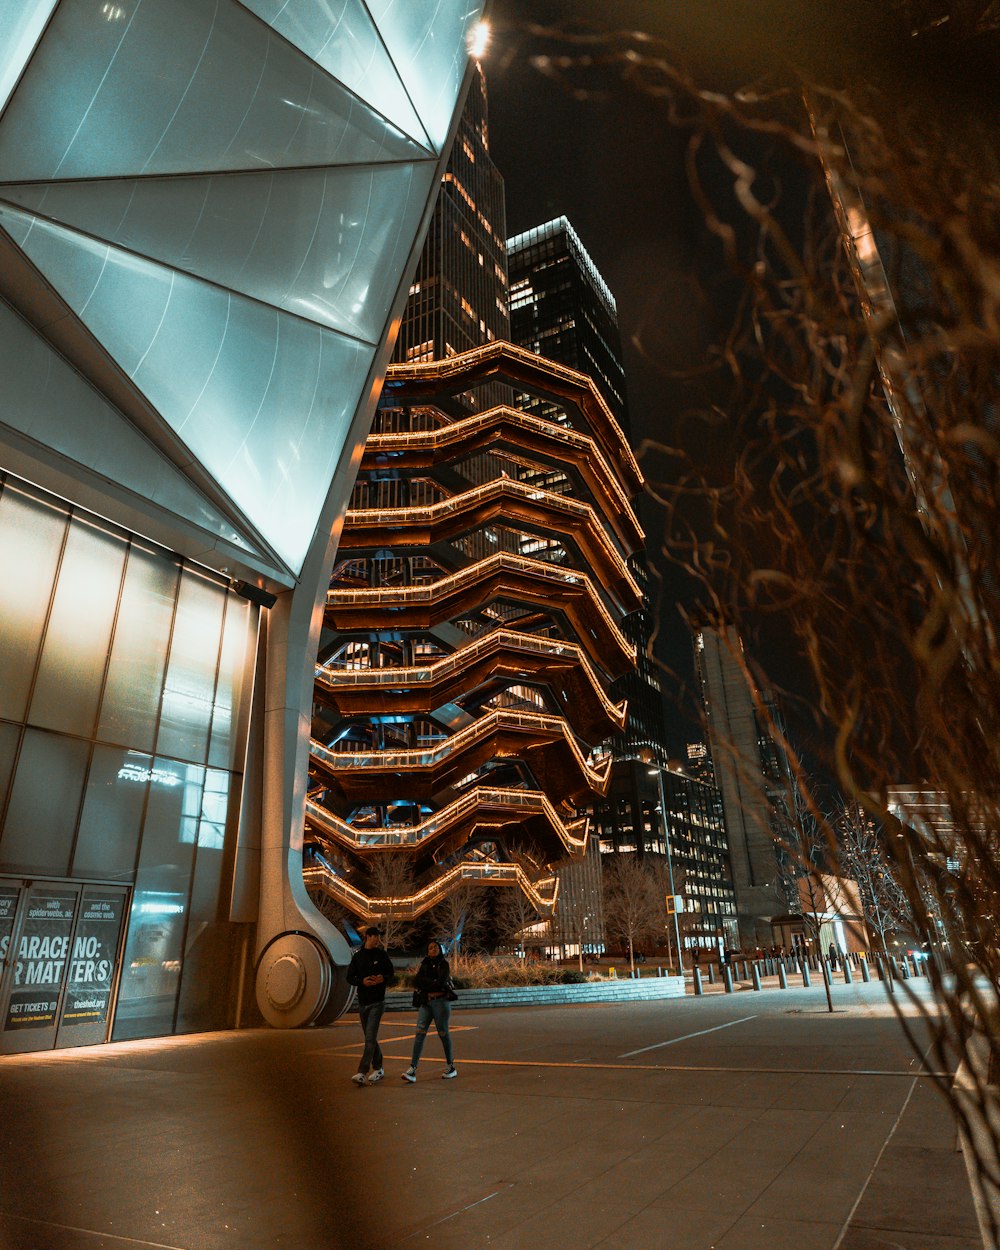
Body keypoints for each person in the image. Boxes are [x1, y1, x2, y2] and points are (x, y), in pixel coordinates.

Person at [346, 926, 396, 1086]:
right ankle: (379, 1067)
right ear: (367, 936)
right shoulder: (358, 957)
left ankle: (362, 1071)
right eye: (374, 936)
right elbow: (349, 977)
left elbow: (391, 975)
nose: (377, 939)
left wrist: (383, 979)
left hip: (377, 1002)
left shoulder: (381, 955)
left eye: (378, 937)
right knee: (371, 1038)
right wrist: (362, 982)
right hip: (363, 1003)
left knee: (369, 1038)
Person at [402, 940, 457, 1082]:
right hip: (426, 1002)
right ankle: (412, 1068)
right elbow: (417, 981)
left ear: (440, 949)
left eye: (435, 947)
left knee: (443, 1033)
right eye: (430, 947)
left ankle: (451, 1066)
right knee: (419, 1033)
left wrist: (428, 983)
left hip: (440, 1003)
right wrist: (431, 983)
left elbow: (441, 982)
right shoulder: (424, 964)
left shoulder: (443, 964)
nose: (433, 949)